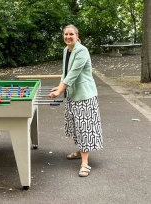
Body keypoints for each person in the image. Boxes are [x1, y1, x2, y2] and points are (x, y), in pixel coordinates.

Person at [49, 25, 103, 177]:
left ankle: (85, 164)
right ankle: (80, 152)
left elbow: (73, 74)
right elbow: (65, 73)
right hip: (73, 94)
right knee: (76, 126)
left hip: (84, 96)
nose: (68, 37)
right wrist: (59, 87)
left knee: (84, 128)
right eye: (65, 34)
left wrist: (60, 91)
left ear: (77, 36)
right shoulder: (66, 50)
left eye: (71, 34)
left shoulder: (82, 51)